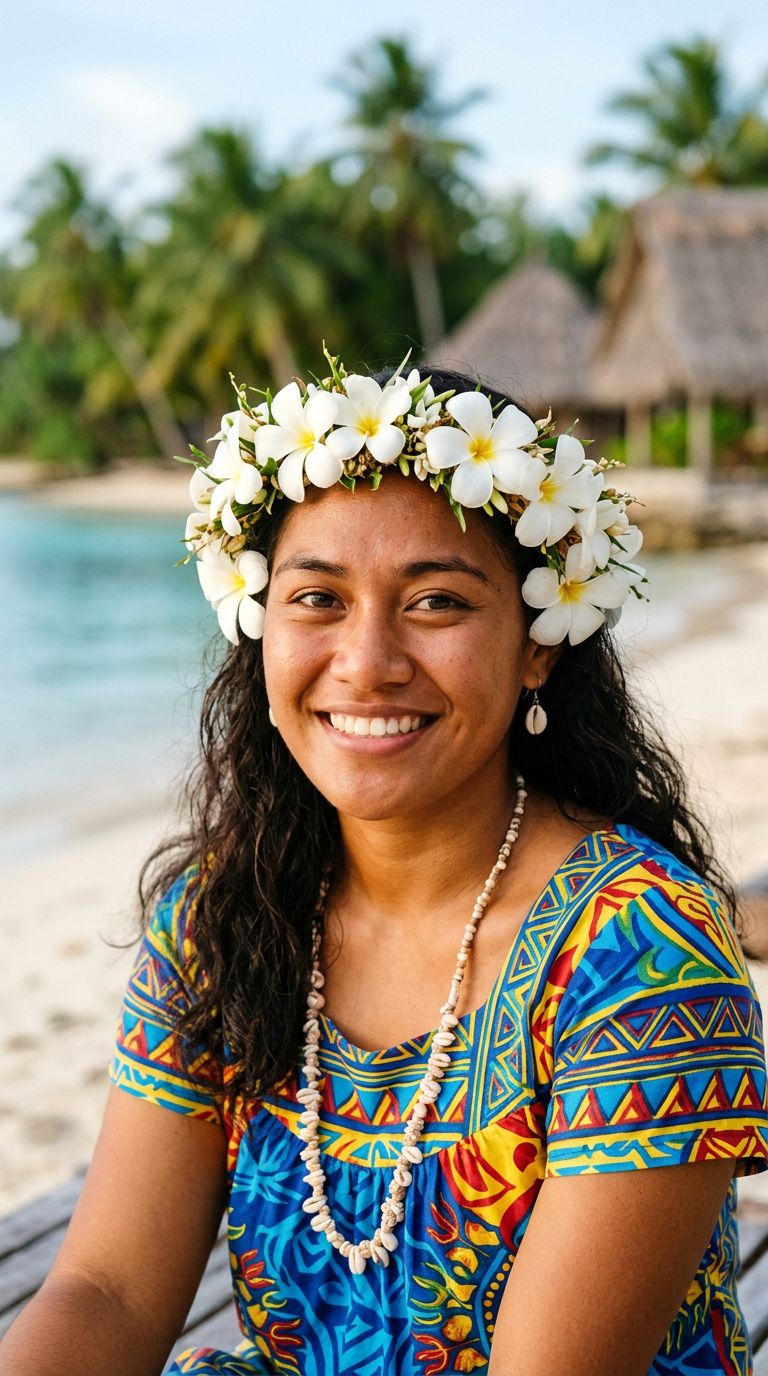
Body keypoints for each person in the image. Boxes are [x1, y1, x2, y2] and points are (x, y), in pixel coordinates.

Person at [3, 353, 768, 1376]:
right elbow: (109, 1286)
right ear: (259, 620)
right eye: (316, 596)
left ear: (538, 644)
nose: (366, 661)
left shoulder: (640, 948)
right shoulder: (221, 913)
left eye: (438, 602)